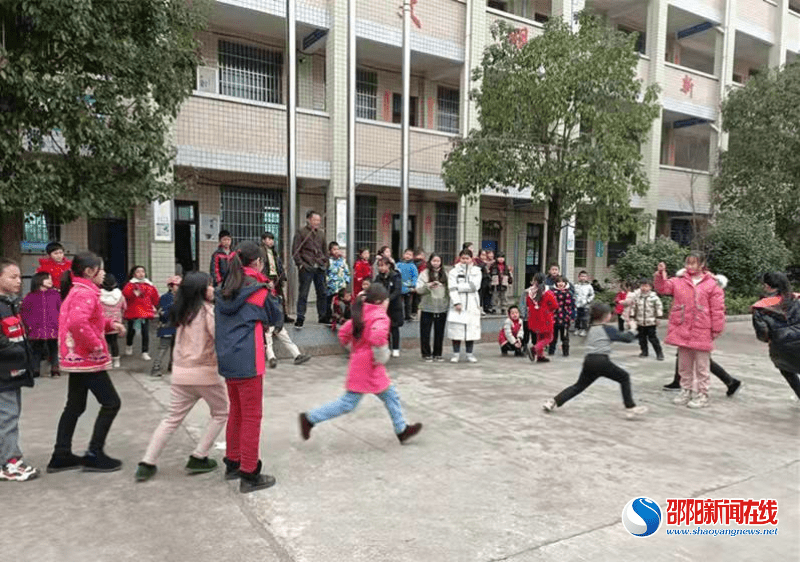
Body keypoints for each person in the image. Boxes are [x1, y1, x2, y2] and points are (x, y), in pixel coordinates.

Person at [298, 283, 423, 444]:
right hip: (370, 365)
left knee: (390, 395)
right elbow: (378, 337)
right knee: (349, 403)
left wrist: (355, 349)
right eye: (386, 300)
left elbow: (343, 332)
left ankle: (401, 429)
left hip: (362, 363)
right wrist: (381, 355)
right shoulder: (379, 316)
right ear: (379, 301)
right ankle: (310, 418)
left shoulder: (361, 312)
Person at [135, 272, 229, 482]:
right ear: (201, 291)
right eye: (210, 286)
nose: (214, 289)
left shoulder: (182, 311)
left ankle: (147, 462)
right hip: (205, 374)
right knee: (221, 413)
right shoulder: (208, 312)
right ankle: (199, 456)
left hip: (180, 374)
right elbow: (219, 338)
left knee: (171, 419)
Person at [47, 251, 127, 473]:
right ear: (90, 271)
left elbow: (90, 320)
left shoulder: (80, 290)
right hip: (86, 359)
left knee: (74, 405)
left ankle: (60, 455)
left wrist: (111, 326)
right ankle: (94, 453)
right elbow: (78, 322)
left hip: (78, 359)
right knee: (111, 402)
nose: (104, 274)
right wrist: (96, 346)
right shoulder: (85, 293)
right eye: (101, 269)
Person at [214, 240, 278, 493]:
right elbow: (276, 318)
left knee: (237, 411)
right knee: (252, 415)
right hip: (249, 359)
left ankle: (233, 461)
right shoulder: (259, 290)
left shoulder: (222, 289)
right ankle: (249, 472)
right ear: (258, 263)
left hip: (227, 358)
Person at [542, 302, 648, 419]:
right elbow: (627, 339)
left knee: (578, 386)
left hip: (589, 361)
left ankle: (552, 402)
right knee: (624, 377)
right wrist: (633, 329)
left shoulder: (591, 328)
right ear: (606, 316)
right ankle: (630, 407)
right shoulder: (607, 329)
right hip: (601, 361)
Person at [654, 252, 726, 409]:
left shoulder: (712, 285)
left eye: (693, 263)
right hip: (683, 328)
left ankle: (702, 394)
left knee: (702, 365)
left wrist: (717, 328)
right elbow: (663, 288)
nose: (690, 266)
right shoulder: (679, 282)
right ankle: (686, 390)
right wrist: (660, 274)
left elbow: (718, 309)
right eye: (688, 263)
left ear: (702, 265)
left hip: (702, 329)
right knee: (684, 364)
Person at [661, 272, 741, 395]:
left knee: (702, 360)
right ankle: (678, 381)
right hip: (687, 326)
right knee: (684, 354)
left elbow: (716, 310)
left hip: (699, 327)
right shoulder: (686, 283)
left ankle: (729, 381)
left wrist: (715, 329)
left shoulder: (707, 285)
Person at [0, 257, 39, 482]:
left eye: (18, 277)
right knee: (8, 417)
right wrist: (20, 353)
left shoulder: (10, 303)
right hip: (3, 373)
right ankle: (10, 463)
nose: (18, 281)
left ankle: (6, 458)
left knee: (8, 416)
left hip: (13, 371)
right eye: (12, 277)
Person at [752, 272, 800, 400]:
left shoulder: (760, 307)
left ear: (767, 286)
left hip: (780, 345)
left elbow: (762, 334)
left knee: (788, 371)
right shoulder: (796, 299)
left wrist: (769, 339)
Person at [291, 210, 328, 329]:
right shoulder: (301, 232)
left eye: (319, 220)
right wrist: (300, 264)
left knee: (322, 292)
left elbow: (325, 250)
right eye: (315, 220)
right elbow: (295, 251)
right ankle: (300, 317)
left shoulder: (322, 233)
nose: (317, 222)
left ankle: (322, 316)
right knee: (303, 293)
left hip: (320, 267)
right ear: (308, 219)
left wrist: (324, 262)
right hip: (306, 266)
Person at [20, 271, 61, 377]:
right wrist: (29, 325)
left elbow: (60, 309)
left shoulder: (55, 294)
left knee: (54, 348)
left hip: (53, 327)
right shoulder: (30, 297)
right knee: (36, 350)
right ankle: (35, 369)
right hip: (36, 328)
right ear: (39, 280)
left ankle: (55, 368)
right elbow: (24, 312)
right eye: (48, 278)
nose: (51, 281)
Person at [447, 249, 482, 363]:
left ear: (471, 259)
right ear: (459, 258)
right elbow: (452, 287)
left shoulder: (477, 271)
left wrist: (459, 286)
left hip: (472, 303)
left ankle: (469, 354)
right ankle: (456, 354)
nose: (465, 261)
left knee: (470, 331)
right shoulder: (454, 271)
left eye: (467, 258)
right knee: (457, 330)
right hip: (458, 304)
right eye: (463, 258)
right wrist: (456, 302)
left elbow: (475, 286)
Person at [416, 253, 449, 362]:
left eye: (438, 261)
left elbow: (449, 290)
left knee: (439, 332)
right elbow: (418, 289)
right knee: (425, 331)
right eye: (434, 261)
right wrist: (427, 286)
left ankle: (438, 353)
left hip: (441, 307)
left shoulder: (445, 274)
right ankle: (426, 353)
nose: (436, 263)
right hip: (427, 306)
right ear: (430, 261)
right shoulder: (424, 274)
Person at [122, 265, 159, 360]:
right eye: (138, 271)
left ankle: (145, 351)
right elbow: (125, 295)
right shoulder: (130, 285)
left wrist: (155, 306)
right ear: (134, 274)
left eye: (143, 271)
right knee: (131, 331)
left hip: (145, 312)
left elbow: (155, 297)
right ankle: (129, 345)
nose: (141, 273)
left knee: (145, 332)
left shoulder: (149, 284)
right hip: (133, 311)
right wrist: (133, 294)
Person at [151, 276, 181, 377]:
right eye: (177, 285)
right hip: (167, 325)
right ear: (170, 286)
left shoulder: (182, 298)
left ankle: (172, 366)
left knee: (176, 347)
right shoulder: (165, 297)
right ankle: (156, 367)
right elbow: (163, 312)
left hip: (178, 325)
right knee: (163, 347)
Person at [261, 231, 294, 324]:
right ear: (264, 240)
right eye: (269, 239)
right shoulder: (261, 251)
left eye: (272, 239)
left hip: (276, 277)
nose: (271, 241)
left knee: (281, 297)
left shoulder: (274, 252)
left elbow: (278, 265)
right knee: (269, 298)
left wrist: (282, 276)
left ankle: (284, 315)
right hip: (267, 278)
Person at [525, 272, 558, 363]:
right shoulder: (547, 293)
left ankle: (540, 356)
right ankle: (535, 349)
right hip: (546, 318)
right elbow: (554, 305)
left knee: (540, 336)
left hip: (534, 318)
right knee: (549, 337)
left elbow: (527, 304)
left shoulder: (530, 292)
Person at [374, 257, 404, 357]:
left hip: (394, 306)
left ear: (388, 265)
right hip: (382, 307)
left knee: (394, 327)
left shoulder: (395, 276)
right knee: (384, 328)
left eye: (382, 265)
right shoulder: (378, 277)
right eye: (379, 265)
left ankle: (396, 348)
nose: (380, 268)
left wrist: (388, 299)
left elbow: (397, 290)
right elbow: (374, 288)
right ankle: (386, 347)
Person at [629, 278, 664, 360]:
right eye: (642, 286)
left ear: (650, 287)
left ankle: (659, 353)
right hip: (640, 321)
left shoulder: (654, 298)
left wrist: (658, 318)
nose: (644, 288)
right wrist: (632, 317)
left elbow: (659, 307)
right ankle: (644, 352)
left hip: (651, 322)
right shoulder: (638, 297)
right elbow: (634, 307)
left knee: (653, 338)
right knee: (641, 338)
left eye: (646, 286)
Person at [100, 274, 126, 368]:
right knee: (114, 342)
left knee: (104, 341)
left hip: (102, 322)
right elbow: (124, 307)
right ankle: (116, 360)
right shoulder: (119, 295)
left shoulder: (98, 295)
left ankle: (106, 358)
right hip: (116, 322)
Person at [548, 276, 576, 357]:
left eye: (562, 282)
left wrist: (572, 316)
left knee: (565, 336)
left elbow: (572, 306)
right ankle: (551, 351)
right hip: (554, 317)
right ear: (556, 283)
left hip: (565, 317)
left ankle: (566, 352)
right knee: (553, 336)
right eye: (559, 282)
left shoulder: (569, 293)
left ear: (565, 283)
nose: (560, 284)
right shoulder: (552, 292)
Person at [326, 242, 350, 321]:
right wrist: (327, 281)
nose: (336, 251)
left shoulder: (342, 260)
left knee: (340, 302)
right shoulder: (328, 261)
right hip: (331, 285)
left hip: (341, 285)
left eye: (337, 249)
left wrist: (346, 281)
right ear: (330, 251)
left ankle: (340, 316)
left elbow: (346, 271)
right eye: (334, 249)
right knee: (329, 302)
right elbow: (326, 272)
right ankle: (329, 316)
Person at [396, 248, 419, 321]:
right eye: (407, 254)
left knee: (408, 303)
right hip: (399, 286)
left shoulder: (413, 266)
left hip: (408, 287)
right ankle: (400, 315)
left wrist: (413, 285)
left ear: (412, 257)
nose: (408, 256)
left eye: (410, 255)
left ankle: (408, 315)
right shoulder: (399, 264)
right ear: (403, 255)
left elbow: (415, 276)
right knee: (399, 303)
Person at [573, 270, 595, 337]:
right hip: (577, 304)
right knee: (577, 318)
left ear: (587, 278)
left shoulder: (589, 286)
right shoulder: (576, 286)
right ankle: (577, 328)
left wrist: (588, 300)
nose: (583, 278)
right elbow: (574, 294)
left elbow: (592, 295)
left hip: (586, 305)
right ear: (579, 277)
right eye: (582, 276)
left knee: (584, 318)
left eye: (584, 276)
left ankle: (584, 329)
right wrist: (575, 299)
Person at [411, 248, 427, 318]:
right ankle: (416, 312)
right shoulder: (422, 263)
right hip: (418, 282)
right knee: (417, 299)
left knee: (414, 298)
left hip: (414, 282)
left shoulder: (411, 262)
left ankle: (414, 312)